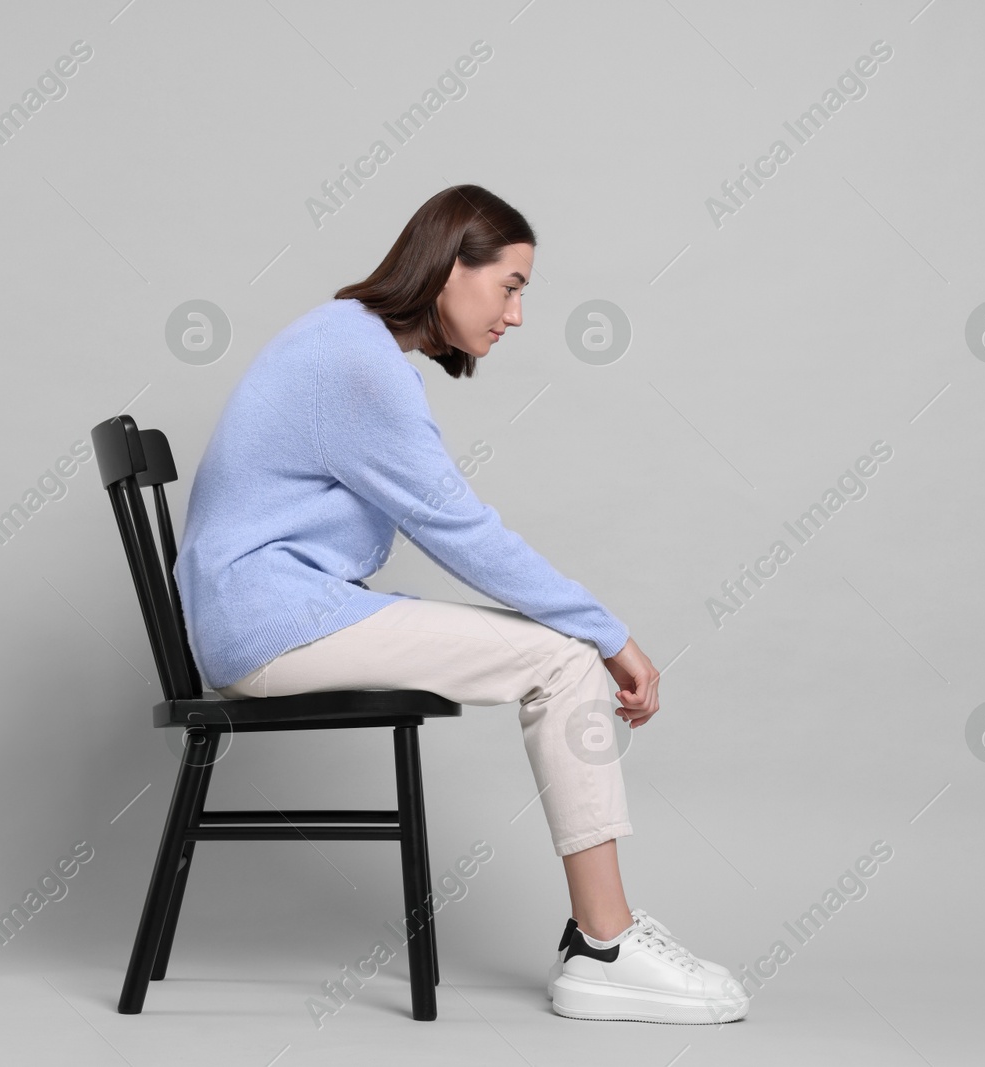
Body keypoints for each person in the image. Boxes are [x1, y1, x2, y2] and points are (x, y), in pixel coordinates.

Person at [173, 184, 749, 1024]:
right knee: (564, 657)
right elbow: (465, 533)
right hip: (271, 626)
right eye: (511, 285)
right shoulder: (357, 362)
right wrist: (610, 633)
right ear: (450, 267)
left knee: (558, 649)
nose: (516, 315)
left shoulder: (345, 340)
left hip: (266, 616)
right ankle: (605, 944)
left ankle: (603, 938)